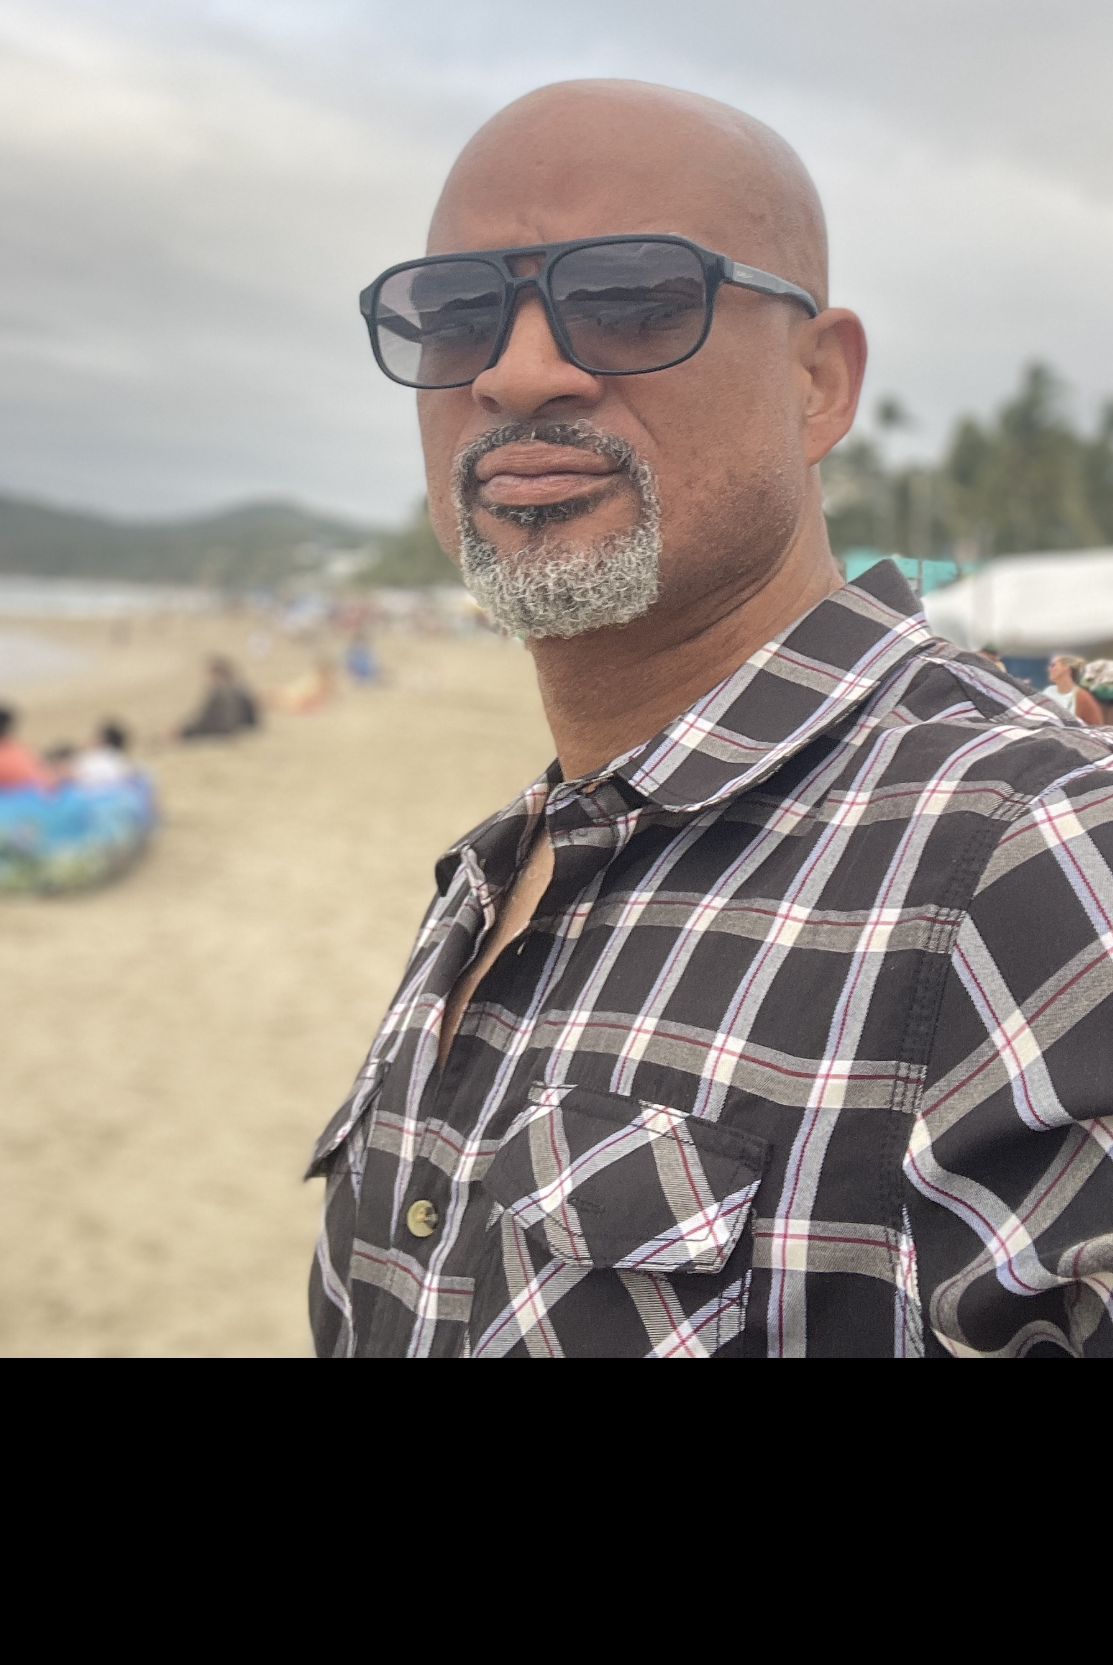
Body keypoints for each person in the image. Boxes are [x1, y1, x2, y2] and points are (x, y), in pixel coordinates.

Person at [308, 80, 1113, 1361]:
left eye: (630, 299)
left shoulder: (1038, 856)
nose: (517, 373)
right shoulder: (501, 873)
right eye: (457, 314)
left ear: (818, 382)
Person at [176, 657, 259, 740]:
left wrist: (183, 732)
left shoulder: (219, 693)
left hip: (220, 731)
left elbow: (204, 721)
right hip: (238, 729)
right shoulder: (239, 688)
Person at [1041, 653, 1103, 726]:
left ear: (1066, 667)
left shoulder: (1082, 698)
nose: (1049, 668)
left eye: (1053, 665)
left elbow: (1098, 729)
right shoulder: (1048, 692)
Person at [73, 721, 133, 786]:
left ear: (103, 740)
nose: (91, 739)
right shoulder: (122, 762)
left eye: (96, 737)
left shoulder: (92, 758)